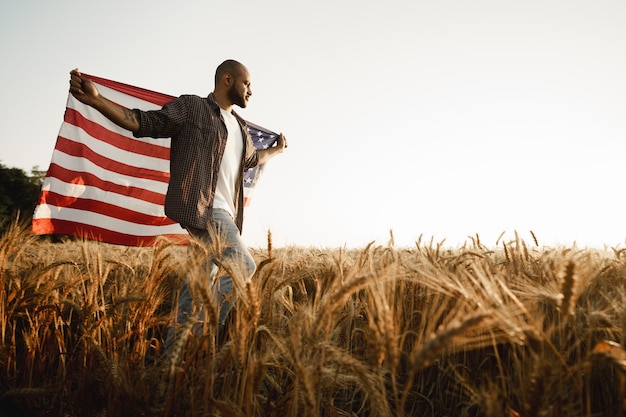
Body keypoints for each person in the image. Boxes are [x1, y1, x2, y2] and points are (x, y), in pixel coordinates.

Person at [69, 60, 287, 350]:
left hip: (224, 217)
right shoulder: (192, 108)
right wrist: (97, 101)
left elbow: (252, 160)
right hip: (206, 209)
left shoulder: (241, 128)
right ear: (227, 80)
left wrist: (275, 150)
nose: (251, 90)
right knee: (242, 265)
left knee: (194, 290)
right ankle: (199, 346)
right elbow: (143, 122)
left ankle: (173, 361)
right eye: (247, 83)